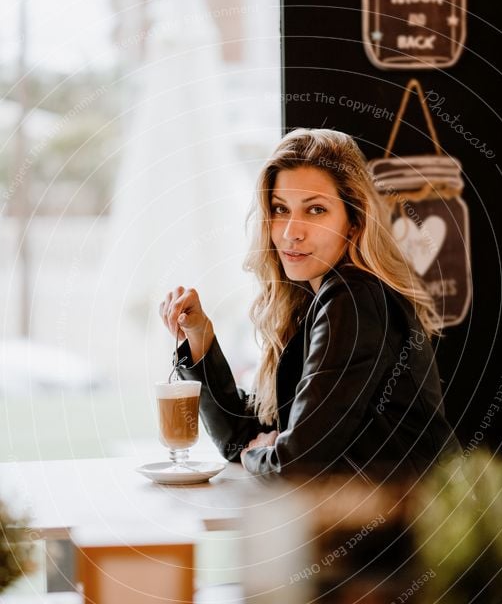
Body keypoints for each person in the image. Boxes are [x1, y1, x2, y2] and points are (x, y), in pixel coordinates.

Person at [159, 127, 460, 483]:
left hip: (419, 531)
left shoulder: (354, 297)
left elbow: (294, 461)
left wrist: (261, 452)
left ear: (353, 222)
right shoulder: (315, 302)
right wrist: (200, 339)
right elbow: (243, 437)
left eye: (316, 210)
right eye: (280, 209)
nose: (291, 231)